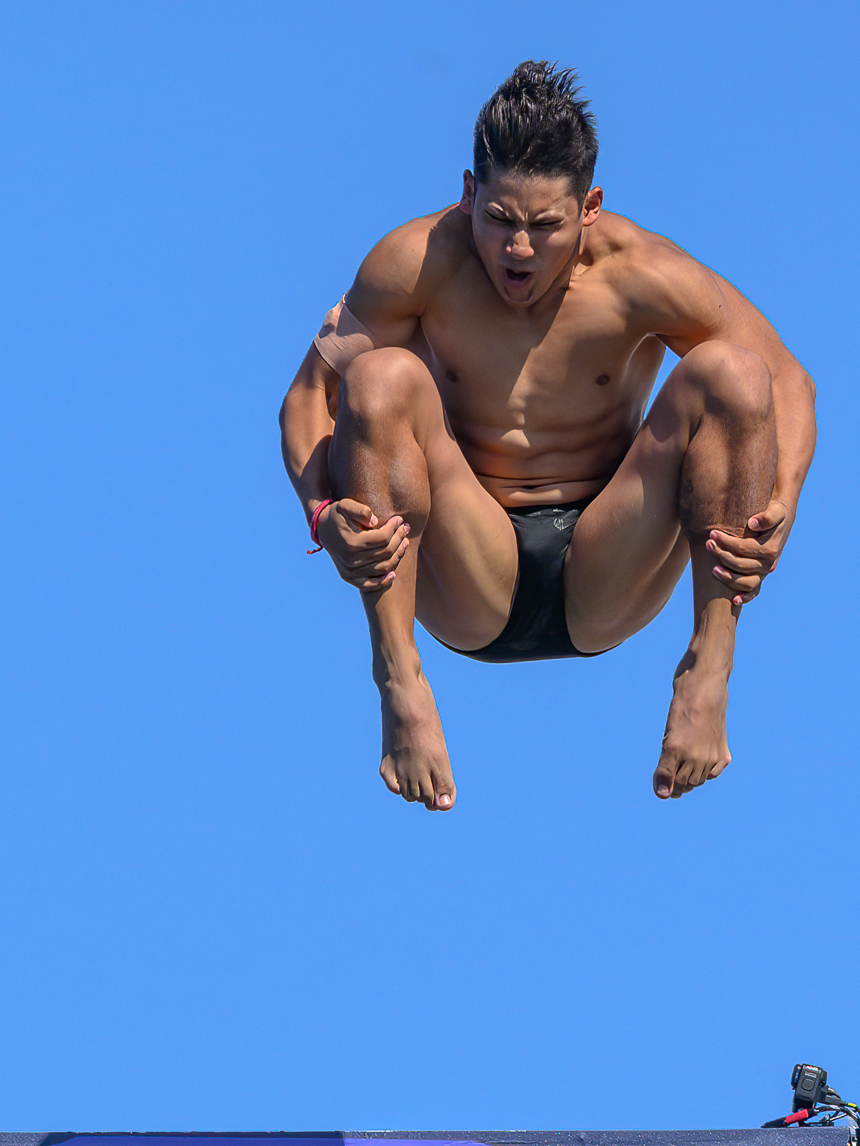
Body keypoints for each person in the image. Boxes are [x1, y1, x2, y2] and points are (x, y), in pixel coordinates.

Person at [280, 60, 816, 808]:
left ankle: (710, 669)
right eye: (498, 219)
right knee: (378, 379)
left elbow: (790, 380)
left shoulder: (642, 274)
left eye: (545, 225)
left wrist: (778, 511)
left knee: (734, 373)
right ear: (469, 192)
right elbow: (307, 399)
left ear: (589, 207)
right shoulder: (418, 264)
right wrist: (320, 513)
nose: (518, 250)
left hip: (611, 557)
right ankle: (398, 681)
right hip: (465, 565)